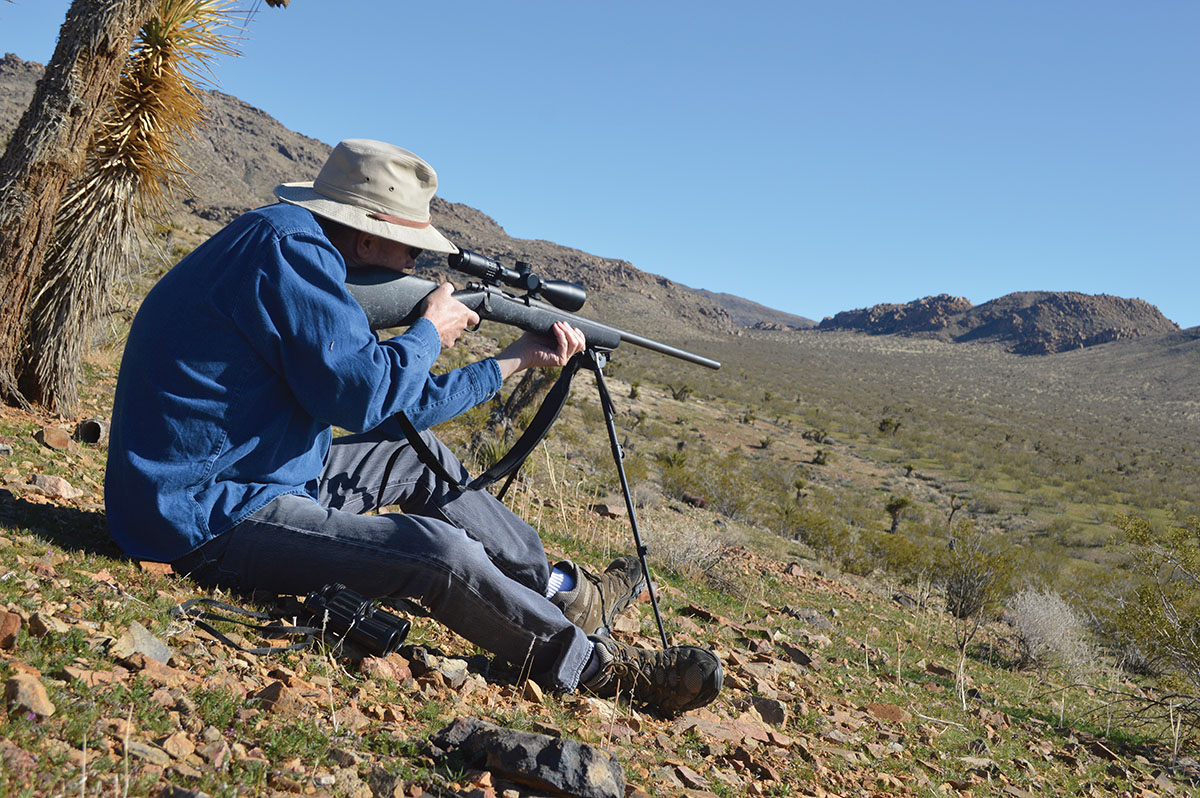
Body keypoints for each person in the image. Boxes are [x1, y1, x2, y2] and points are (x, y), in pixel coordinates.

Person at [104, 138, 722, 715]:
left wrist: (512, 360)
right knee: (437, 553)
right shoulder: (292, 255)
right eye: (411, 250)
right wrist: (428, 332)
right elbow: (364, 398)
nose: (415, 263)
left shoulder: (289, 243)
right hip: (204, 513)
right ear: (366, 239)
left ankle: (568, 595)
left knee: (410, 454)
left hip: (259, 469)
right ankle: (602, 671)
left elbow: (395, 407)